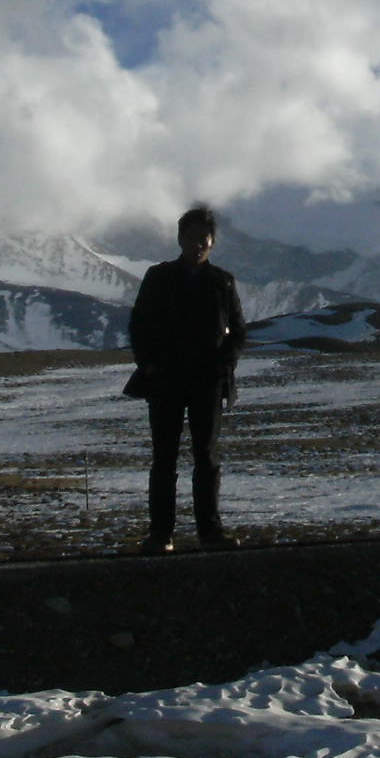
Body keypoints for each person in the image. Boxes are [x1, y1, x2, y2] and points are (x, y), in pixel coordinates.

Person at [125, 204, 247, 554]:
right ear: (180, 239)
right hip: (166, 381)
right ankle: (160, 534)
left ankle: (210, 532)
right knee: (165, 458)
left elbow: (238, 331)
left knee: (206, 457)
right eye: (192, 238)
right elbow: (139, 325)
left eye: (204, 239)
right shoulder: (158, 277)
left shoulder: (222, 282)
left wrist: (223, 366)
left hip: (208, 383)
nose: (198, 245)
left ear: (212, 242)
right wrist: (150, 365)